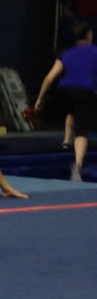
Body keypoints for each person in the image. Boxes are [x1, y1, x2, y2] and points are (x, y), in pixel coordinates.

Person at [32, 20, 97, 182]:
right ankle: (78, 165)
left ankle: (67, 140)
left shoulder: (67, 53)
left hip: (64, 90)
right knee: (82, 132)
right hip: (84, 91)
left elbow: (50, 77)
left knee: (72, 109)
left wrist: (40, 98)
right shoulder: (95, 51)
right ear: (89, 35)